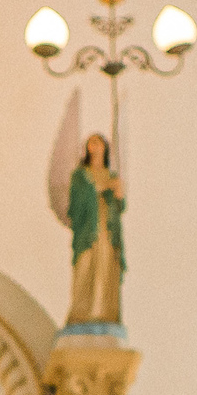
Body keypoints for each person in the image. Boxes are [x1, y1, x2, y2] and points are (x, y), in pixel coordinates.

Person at [67, 132, 126, 327]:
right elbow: (75, 204)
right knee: (86, 268)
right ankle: (82, 314)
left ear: (105, 148)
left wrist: (118, 193)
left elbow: (120, 207)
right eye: (92, 143)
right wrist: (100, 188)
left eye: (99, 142)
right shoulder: (80, 175)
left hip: (107, 232)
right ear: (87, 148)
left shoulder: (111, 175)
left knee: (106, 269)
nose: (96, 146)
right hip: (88, 231)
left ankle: (105, 314)